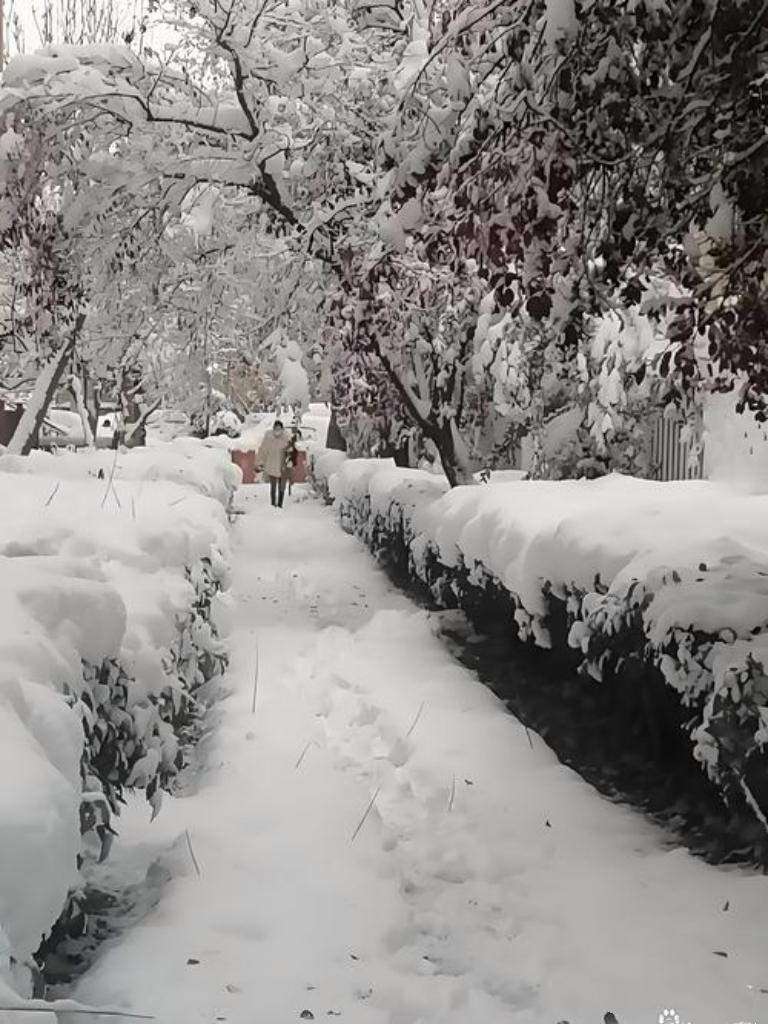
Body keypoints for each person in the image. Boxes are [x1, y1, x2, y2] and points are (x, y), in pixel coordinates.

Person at [258, 419, 292, 508]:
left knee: (281, 487)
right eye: (276, 428)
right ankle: (273, 504)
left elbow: (290, 452)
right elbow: (263, 450)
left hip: (282, 467)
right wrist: (260, 462)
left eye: (279, 428)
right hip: (271, 465)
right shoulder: (268, 438)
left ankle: (280, 504)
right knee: (273, 487)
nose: (277, 431)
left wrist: (289, 463)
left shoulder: (286, 439)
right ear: (273, 428)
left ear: (282, 429)